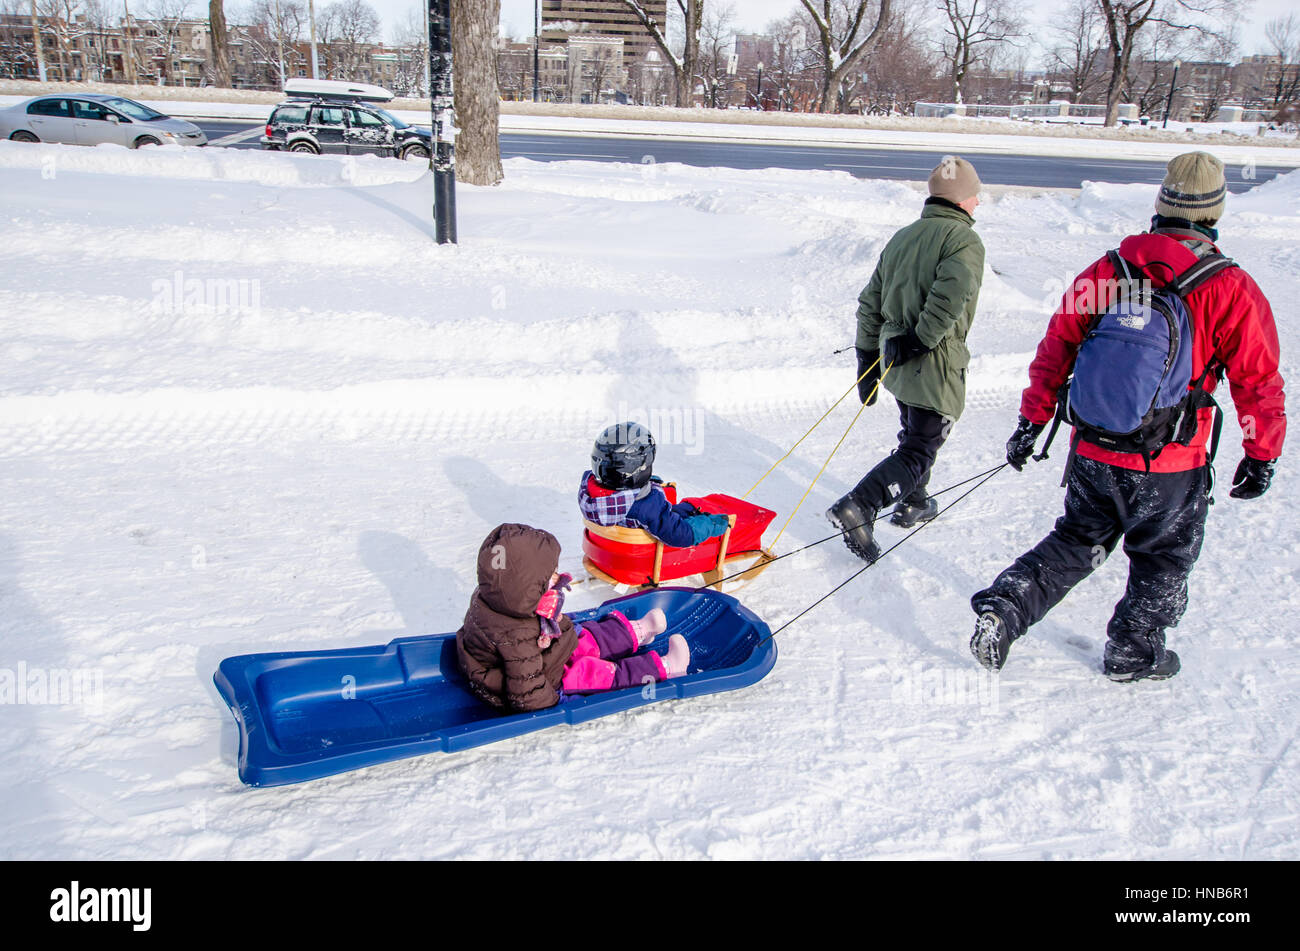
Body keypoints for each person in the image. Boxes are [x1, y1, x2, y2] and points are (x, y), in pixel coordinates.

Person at [970, 151, 1286, 682]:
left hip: (1095, 446)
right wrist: (1262, 455)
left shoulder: (1108, 270)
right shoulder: (1231, 287)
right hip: (1171, 462)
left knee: (1076, 539)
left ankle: (1006, 607)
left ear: (1160, 207)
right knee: (1164, 556)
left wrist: (1031, 421)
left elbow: (1057, 349)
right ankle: (1133, 651)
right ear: (1214, 216)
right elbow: (1258, 383)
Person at [827, 155, 986, 562]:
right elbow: (950, 298)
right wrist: (919, 340)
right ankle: (861, 505)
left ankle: (915, 500)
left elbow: (871, 303)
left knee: (914, 431)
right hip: (931, 359)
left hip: (897, 358)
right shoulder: (963, 241)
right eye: (975, 197)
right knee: (920, 447)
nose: (978, 204)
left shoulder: (903, 236)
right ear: (963, 200)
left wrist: (868, 356)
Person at [456, 522, 690, 712]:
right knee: (595, 673)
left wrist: (560, 629)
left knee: (585, 636)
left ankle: (638, 631)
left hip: (542, 657)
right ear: (526, 587)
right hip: (539, 682)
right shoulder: (515, 638)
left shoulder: (503, 597)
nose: (558, 579)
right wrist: (558, 704)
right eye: (549, 576)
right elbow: (527, 692)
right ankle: (667, 668)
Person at [579, 421, 731, 549]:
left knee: (681, 505)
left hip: (604, 551)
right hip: (635, 562)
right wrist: (709, 525)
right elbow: (680, 535)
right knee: (698, 508)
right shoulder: (647, 506)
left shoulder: (592, 496)